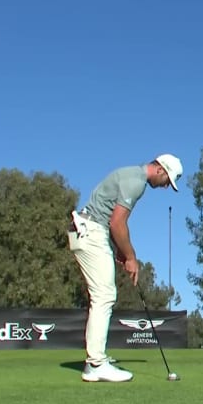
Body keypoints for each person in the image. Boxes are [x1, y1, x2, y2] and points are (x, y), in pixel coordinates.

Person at [68, 154, 183, 382]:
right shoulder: (137, 182)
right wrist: (131, 257)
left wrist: (121, 250)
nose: (165, 187)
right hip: (90, 231)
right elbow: (118, 222)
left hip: (89, 230)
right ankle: (95, 364)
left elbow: (111, 220)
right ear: (160, 169)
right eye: (167, 181)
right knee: (104, 295)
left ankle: (97, 359)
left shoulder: (130, 174)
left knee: (102, 294)